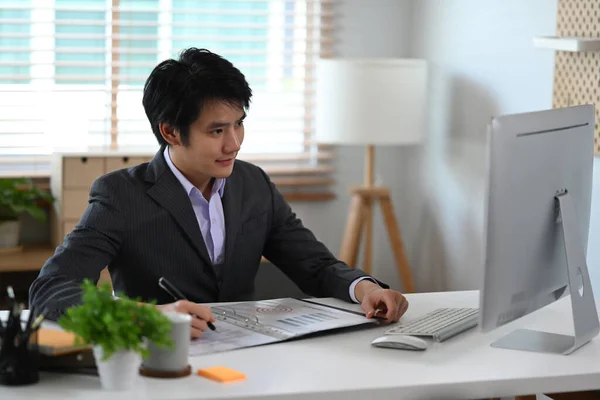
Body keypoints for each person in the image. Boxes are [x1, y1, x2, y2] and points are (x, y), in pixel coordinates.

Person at [29, 48, 409, 338]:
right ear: (171, 132)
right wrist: (147, 317)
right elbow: (50, 291)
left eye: (239, 125)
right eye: (217, 131)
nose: (234, 144)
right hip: (162, 364)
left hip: (251, 362)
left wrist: (364, 288)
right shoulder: (120, 195)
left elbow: (316, 266)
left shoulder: (253, 184)